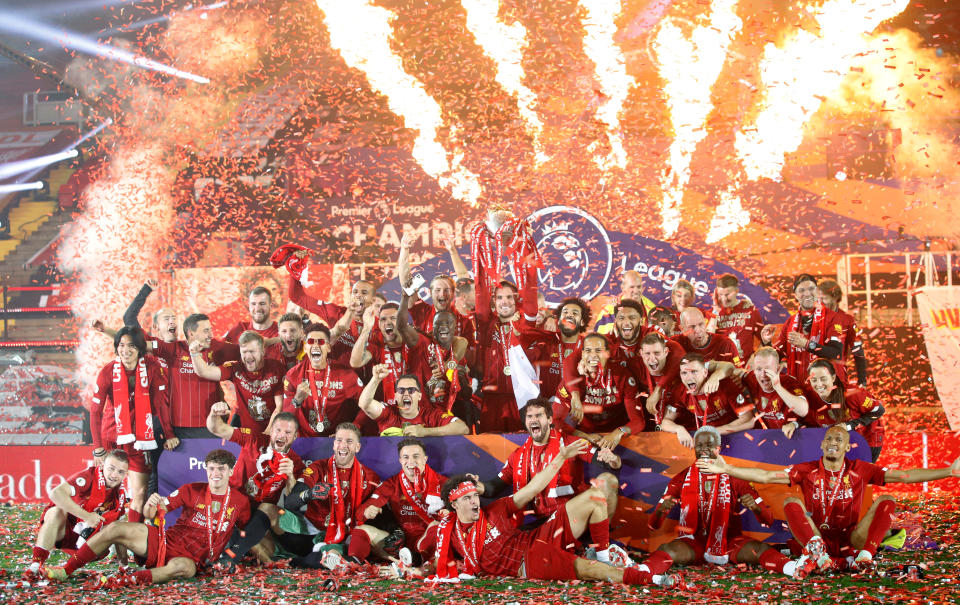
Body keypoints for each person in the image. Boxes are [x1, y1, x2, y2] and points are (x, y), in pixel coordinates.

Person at [696, 426, 960, 573]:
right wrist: (728, 469)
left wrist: (949, 471)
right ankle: (819, 554)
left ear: (847, 447)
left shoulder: (860, 468)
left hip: (851, 540)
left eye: (839, 439)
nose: (833, 442)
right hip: (816, 539)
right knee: (791, 502)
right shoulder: (806, 469)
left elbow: (904, 476)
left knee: (888, 498)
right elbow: (765, 476)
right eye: (829, 438)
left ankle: (866, 556)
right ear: (822, 446)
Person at [431, 441, 676, 587]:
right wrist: (415, 570)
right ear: (454, 505)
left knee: (596, 495)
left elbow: (534, 487)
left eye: (475, 496)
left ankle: (603, 553)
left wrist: (561, 457)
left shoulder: (495, 509)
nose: (475, 501)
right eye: (467, 498)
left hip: (539, 536)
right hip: (528, 563)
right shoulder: (448, 532)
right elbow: (437, 559)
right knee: (588, 570)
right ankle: (647, 579)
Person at [47, 449, 251, 587]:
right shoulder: (191, 490)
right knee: (116, 528)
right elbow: (151, 514)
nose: (215, 473)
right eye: (211, 468)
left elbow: (247, 532)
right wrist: (151, 504)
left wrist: (237, 555)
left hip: (193, 559)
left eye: (221, 469)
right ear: (206, 469)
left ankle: (130, 580)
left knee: (183, 569)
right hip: (166, 541)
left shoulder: (240, 501)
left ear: (230, 471)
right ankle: (66, 570)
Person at [645, 427, 811, 579]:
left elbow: (768, 520)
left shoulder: (734, 475)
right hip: (691, 542)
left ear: (718, 448)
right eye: (699, 445)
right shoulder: (681, 478)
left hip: (729, 542)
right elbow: (653, 525)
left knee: (759, 549)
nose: (704, 450)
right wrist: (661, 511)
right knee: (668, 550)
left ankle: (793, 568)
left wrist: (754, 507)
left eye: (709, 445)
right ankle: (642, 572)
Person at [478, 398, 621, 519]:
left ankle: (601, 545)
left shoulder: (570, 442)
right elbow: (493, 488)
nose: (534, 419)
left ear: (549, 419)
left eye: (539, 415)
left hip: (570, 515)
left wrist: (613, 459)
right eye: (530, 416)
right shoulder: (518, 456)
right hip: (541, 520)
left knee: (609, 480)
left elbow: (609, 464)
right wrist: (475, 487)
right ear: (526, 422)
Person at [89, 327, 176, 521]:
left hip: (140, 441)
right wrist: (97, 448)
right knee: (105, 495)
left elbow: (162, 406)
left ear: (140, 349)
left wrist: (169, 435)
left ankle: (133, 547)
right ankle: (104, 538)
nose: (126, 350)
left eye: (131, 346)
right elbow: (95, 411)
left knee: (140, 494)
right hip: (111, 441)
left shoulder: (153, 368)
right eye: (121, 345)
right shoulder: (107, 371)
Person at [206, 404, 304, 568]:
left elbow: (294, 501)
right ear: (271, 431)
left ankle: (239, 556)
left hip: (257, 518)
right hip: (232, 509)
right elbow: (216, 428)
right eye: (278, 430)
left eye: (288, 433)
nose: (282, 435)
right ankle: (230, 555)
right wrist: (214, 413)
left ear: (295, 436)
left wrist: (290, 477)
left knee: (266, 542)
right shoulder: (253, 439)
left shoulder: (295, 462)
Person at [280, 423, 381, 568]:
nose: (343, 445)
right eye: (339, 440)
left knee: (331, 553)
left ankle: (318, 559)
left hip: (345, 535)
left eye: (349, 441)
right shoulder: (317, 468)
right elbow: (290, 502)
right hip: (312, 531)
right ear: (334, 445)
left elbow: (379, 510)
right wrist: (310, 493)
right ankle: (276, 557)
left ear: (357, 447)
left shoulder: (371, 477)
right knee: (271, 513)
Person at [26, 450, 130, 580]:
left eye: (120, 472)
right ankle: (35, 566)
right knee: (56, 512)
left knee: (117, 526)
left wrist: (124, 566)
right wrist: (87, 516)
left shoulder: (120, 496)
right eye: (111, 468)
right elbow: (55, 493)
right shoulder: (89, 477)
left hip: (91, 546)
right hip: (66, 532)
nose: (114, 475)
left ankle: (65, 570)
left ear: (126, 474)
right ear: (103, 465)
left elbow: (120, 533)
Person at [352, 438, 447, 565]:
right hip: (399, 544)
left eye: (416, 456)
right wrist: (367, 512)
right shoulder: (391, 484)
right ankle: (351, 563)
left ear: (425, 459)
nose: (411, 461)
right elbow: (360, 513)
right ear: (400, 461)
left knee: (437, 526)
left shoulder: (442, 483)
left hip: (428, 541)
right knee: (361, 529)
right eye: (406, 457)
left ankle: (418, 559)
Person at [152, 313, 240, 439]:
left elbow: (247, 350)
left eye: (210, 330)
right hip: (181, 429)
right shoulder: (174, 350)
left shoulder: (216, 348)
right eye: (205, 331)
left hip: (212, 426)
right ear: (191, 333)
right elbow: (140, 343)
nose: (211, 335)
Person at [555, 333, 647, 450]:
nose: (593, 355)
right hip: (585, 437)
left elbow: (638, 421)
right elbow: (555, 420)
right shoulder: (571, 381)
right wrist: (584, 436)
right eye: (588, 350)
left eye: (598, 350)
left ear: (607, 354)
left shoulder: (622, 376)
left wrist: (618, 433)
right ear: (582, 354)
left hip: (619, 438)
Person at [395, 290, 473, 424]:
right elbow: (401, 326)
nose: (443, 327)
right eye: (438, 324)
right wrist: (405, 297)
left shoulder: (457, 351)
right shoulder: (422, 342)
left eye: (448, 323)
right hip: (422, 415)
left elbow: (466, 395)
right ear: (432, 328)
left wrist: (452, 369)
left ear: (454, 328)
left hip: (448, 415)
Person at [191, 331, 286, 434]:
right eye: (244, 352)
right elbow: (205, 372)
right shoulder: (235, 368)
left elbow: (279, 406)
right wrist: (194, 354)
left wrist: (266, 434)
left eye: (252, 351)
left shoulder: (276, 368)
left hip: (274, 431)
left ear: (263, 351)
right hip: (247, 433)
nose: (248, 356)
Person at [283, 325, 364, 437]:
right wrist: (297, 400)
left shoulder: (346, 374)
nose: (315, 346)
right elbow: (284, 417)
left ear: (329, 348)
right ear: (305, 348)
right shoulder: (293, 375)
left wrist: (354, 428)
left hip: (336, 440)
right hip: (304, 440)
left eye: (320, 342)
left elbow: (367, 404)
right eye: (311, 342)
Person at [398, 232, 476, 348]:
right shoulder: (422, 312)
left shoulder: (464, 319)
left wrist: (453, 252)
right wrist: (404, 250)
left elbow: (464, 279)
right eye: (438, 290)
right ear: (430, 293)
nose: (442, 294)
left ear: (454, 293)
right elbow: (406, 284)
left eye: (447, 290)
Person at [659, 354, 752, 448]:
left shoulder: (725, 384)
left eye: (694, 372)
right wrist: (679, 429)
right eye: (684, 373)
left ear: (705, 372)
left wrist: (715, 431)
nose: (689, 377)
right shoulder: (680, 392)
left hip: (738, 437)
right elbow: (665, 422)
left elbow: (747, 419)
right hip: (709, 441)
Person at [803, 359, 885, 462]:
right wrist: (794, 425)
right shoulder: (809, 395)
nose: (819, 385)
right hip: (842, 440)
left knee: (859, 474)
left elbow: (879, 410)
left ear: (833, 378)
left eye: (823, 379)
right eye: (814, 380)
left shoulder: (853, 394)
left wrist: (849, 425)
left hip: (868, 438)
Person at [771, 274, 844, 382]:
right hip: (798, 390)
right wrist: (766, 342)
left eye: (811, 289)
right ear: (795, 295)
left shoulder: (833, 318)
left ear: (818, 292)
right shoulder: (790, 322)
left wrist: (807, 345)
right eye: (801, 290)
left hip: (826, 390)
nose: (806, 293)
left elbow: (836, 353)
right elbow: (778, 353)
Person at [358, 366, 469, 436]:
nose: (406, 394)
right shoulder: (388, 413)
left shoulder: (431, 415)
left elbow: (462, 428)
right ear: (396, 396)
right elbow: (364, 404)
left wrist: (425, 432)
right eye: (401, 390)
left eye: (411, 390)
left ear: (419, 396)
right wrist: (376, 379)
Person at [742, 347, 809, 437]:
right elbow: (729, 368)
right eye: (758, 369)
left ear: (778, 369)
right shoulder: (751, 379)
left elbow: (803, 410)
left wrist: (778, 387)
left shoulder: (789, 382)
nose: (763, 375)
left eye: (767, 369)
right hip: (771, 437)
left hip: (794, 436)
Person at [818, 280, 867, 387]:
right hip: (813, 379)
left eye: (824, 298)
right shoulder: (812, 318)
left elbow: (858, 352)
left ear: (835, 298)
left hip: (837, 379)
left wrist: (862, 381)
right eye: (819, 298)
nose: (820, 302)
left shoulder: (847, 320)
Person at [711, 274, 766, 361]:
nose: (724, 299)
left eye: (727, 294)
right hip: (721, 368)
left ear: (737, 291)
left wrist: (754, 359)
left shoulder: (750, 310)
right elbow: (706, 340)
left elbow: (764, 339)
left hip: (744, 369)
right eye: (721, 294)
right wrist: (715, 312)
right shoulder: (714, 313)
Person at [593, 270, 656, 335]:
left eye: (639, 287)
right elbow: (602, 339)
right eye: (632, 287)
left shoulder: (652, 309)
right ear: (623, 288)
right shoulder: (609, 310)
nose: (636, 291)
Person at [675, 308, 740, 366]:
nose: (698, 330)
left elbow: (737, 371)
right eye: (692, 327)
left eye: (701, 324)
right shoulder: (675, 343)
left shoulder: (726, 343)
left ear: (706, 322)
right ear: (682, 329)